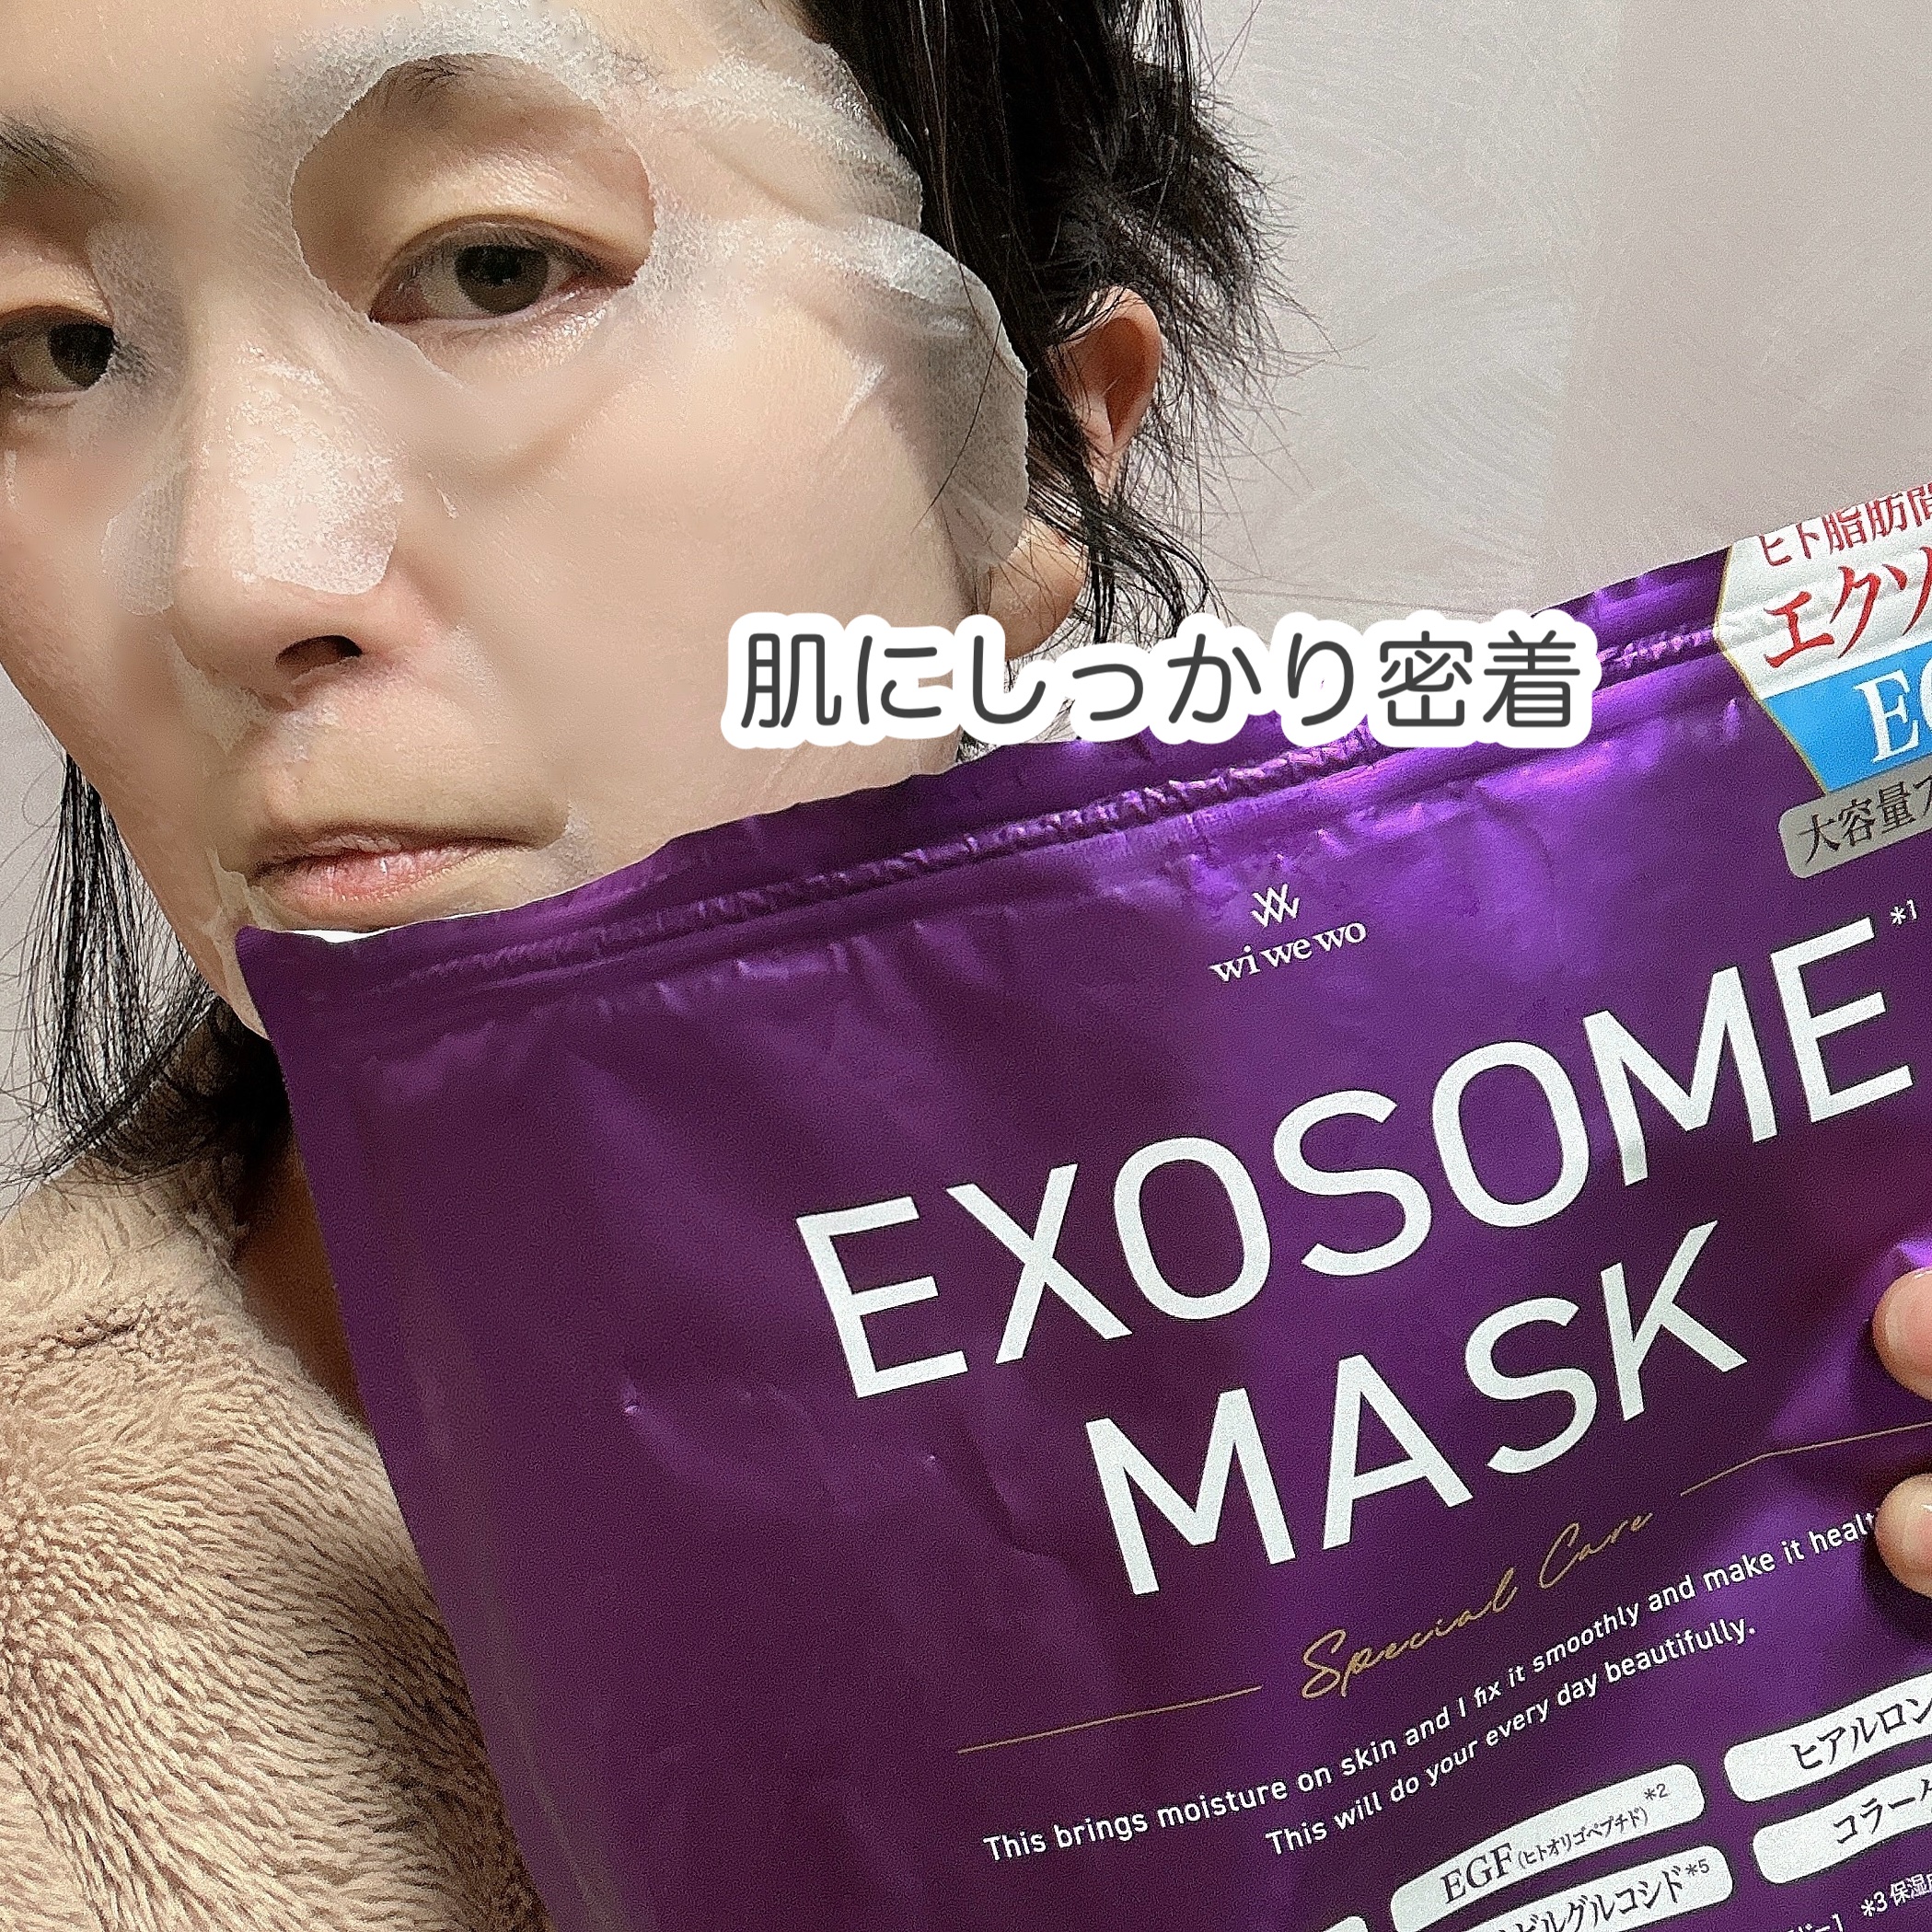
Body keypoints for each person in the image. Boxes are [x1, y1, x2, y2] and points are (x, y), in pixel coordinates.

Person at [0, 3, 1926, 1929]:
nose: (235, 573)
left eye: (494, 268)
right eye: (54, 347)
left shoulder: (1648, 1249)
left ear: (1039, 446)